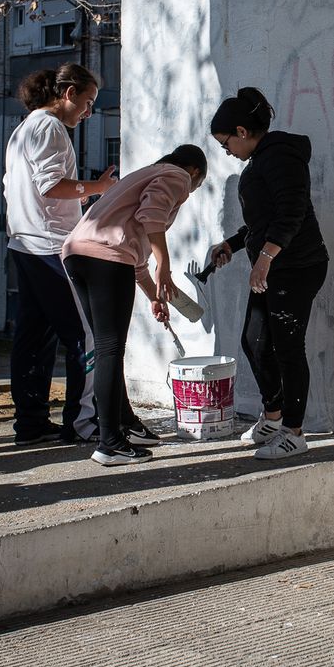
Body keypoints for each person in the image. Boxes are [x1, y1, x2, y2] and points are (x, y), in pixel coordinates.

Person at [62, 145, 207, 465]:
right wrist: (165, 265)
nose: (190, 191)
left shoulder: (140, 176)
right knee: (110, 348)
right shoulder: (177, 175)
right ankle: (110, 443)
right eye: (196, 187)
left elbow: (134, 257)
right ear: (195, 172)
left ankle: (125, 423)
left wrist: (155, 294)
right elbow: (152, 213)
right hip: (106, 257)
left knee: (105, 347)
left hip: (76, 253)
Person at [207, 88, 329, 461]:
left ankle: (294, 432)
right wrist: (233, 244)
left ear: (242, 131)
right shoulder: (261, 160)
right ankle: (273, 417)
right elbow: (263, 220)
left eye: (225, 142)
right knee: (255, 342)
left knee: (288, 349)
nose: (225, 150)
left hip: (297, 266)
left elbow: (291, 211)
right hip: (274, 267)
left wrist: (265, 258)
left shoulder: (280, 156)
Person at [2, 63, 120, 446]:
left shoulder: (23, 129)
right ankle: (84, 423)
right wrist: (98, 187)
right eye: (87, 103)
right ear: (68, 94)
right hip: (51, 245)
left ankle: (31, 425)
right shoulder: (49, 127)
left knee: (33, 338)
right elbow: (52, 186)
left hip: (24, 244)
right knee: (86, 337)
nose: (88, 113)